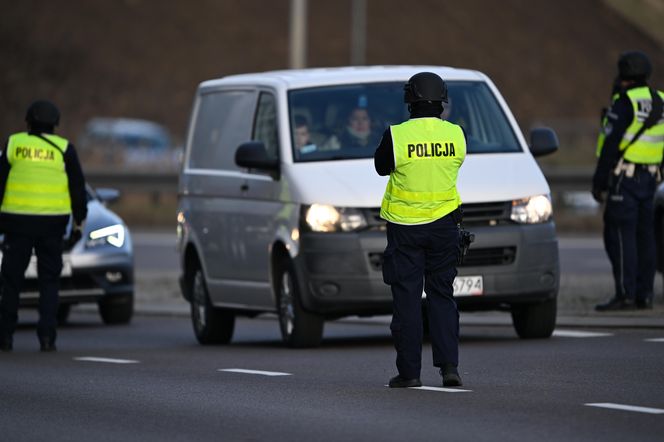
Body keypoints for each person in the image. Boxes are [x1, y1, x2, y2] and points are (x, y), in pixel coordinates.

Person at [374, 72, 466, 387]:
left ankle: (410, 373)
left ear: (409, 99)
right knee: (442, 296)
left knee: (408, 301)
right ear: (442, 100)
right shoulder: (456, 135)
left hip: (405, 228)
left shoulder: (397, 135)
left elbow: (381, 166)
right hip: (444, 226)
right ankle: (449, 368)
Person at [0, 100, 87, 351]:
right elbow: (78, 189)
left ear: (28, 122)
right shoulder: (64, 149)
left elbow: (0, 180)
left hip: (17, 223)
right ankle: (47, 337)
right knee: (50, 281)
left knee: (11, 281)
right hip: (52, 224)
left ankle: (5, 335)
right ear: (55, 125)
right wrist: (79, 221)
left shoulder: (14, 144)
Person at [592, 51, 664, 311]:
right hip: (651, 179)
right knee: (646, 237)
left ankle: (625, 295)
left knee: (620, 235)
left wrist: (599, 181)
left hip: (625, 178)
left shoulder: (625, 102)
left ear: (624, 75)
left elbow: (610, 144)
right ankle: (644, 295)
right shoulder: (660, 101)